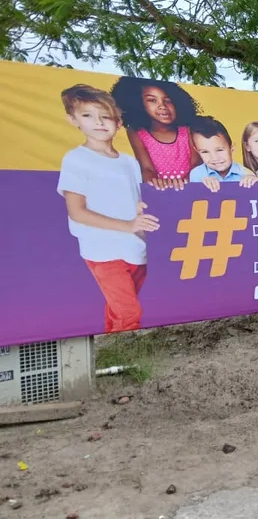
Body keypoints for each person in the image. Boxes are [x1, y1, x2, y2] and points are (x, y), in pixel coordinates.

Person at [57, 84, 160, 333]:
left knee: (119, 309)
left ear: (118, 122)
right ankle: (129, 351)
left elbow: (137, 200)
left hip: (137, 247)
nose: (99, 122)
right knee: (129, 313)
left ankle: (111, 348)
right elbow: (77, 212)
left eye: (106, 116)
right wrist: (127, 225)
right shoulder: (76, 159)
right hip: (103, 251)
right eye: (88, 115)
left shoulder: (129, 162)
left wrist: (141, 220)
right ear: (73, 120)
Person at [110, 76, 202, 190]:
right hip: (159, 192)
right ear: (139, 103)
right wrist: (154, 183)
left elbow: (196, 164)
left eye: (168, 101)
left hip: (191, 188)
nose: (162, 106)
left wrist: (184, 183)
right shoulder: (137, 132)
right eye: (152, 100)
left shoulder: (188, 129)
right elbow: (146, 168)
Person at [188, 116, 258, 192]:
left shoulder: (246, 173)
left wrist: (255, 183)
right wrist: (203, 186)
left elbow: (255, 195)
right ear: (197, 152)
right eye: (205, 152)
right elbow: (196, 197)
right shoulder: (197, 174)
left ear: (231, 148)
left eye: (219, 150)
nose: (214, 158)